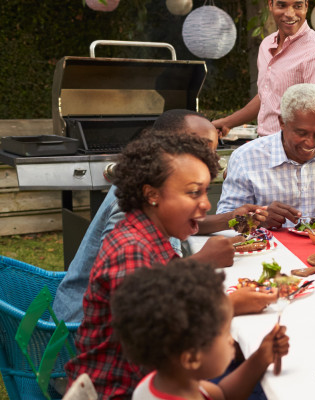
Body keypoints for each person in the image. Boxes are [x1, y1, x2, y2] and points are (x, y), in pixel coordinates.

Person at [65, 131, 256, 399]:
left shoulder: (151, 236)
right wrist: (229, 307)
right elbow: (158, 342)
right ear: (152, 195)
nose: (206, 203)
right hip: (123, 389)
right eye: (193, 192)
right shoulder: (131, 251)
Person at [54, 110, 272, 323]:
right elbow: (128, 302)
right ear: (168, 147)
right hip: (80, 325)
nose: (210, 158)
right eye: (201, 147)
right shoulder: (128, 216)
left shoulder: (155, 194)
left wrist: (231, 219)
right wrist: (202, 264)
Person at [111, 259, 289, 400]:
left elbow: (223, 395)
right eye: (226, 332)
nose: (231, 340)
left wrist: (260, 358)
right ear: (192, 358)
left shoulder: (169, 381)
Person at [217, 83, 315, 228]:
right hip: (269, 250)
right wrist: (257, 219)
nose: (310, 143)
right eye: (301, 133)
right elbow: (225, 221)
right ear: (282, 122)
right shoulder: (246, 158)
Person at [212, 0, 315, 136]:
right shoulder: (267, 45)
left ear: (306, 7)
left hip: (292, 154)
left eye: (297, 6)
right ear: (270, 5)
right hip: (263, 146)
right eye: (282, 5)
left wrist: (293, 154)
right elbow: (267, 95)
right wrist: (227, 123)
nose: (290, 14)